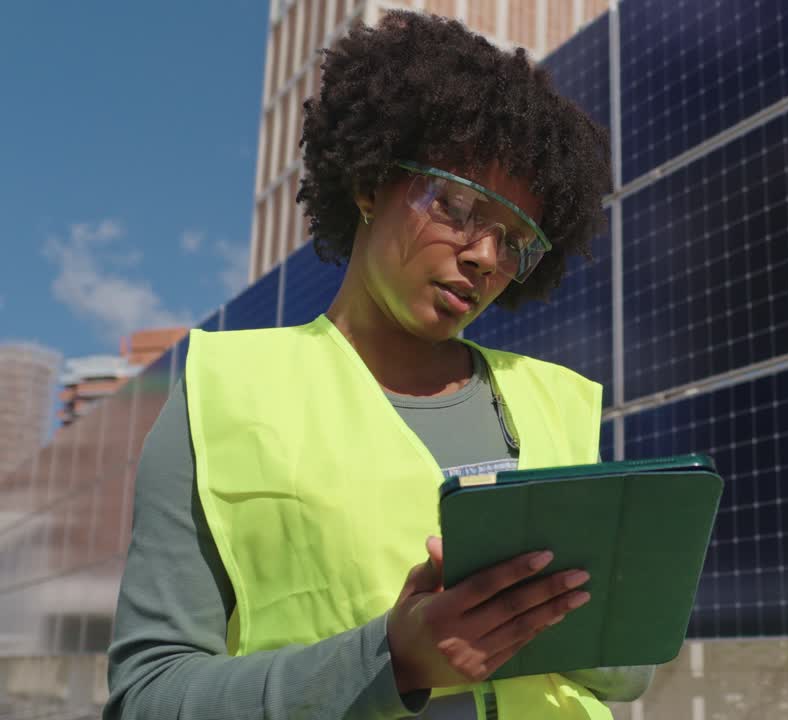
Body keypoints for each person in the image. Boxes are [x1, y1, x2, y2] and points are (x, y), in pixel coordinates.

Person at [105, 11, 651, 719]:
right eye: (458, 205)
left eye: (516, 241)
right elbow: (148, 698)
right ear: (370, 182)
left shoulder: (558, 404)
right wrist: (394, 660)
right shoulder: (223, 397)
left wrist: (564, 620)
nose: (486, 256)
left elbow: (629, 669)